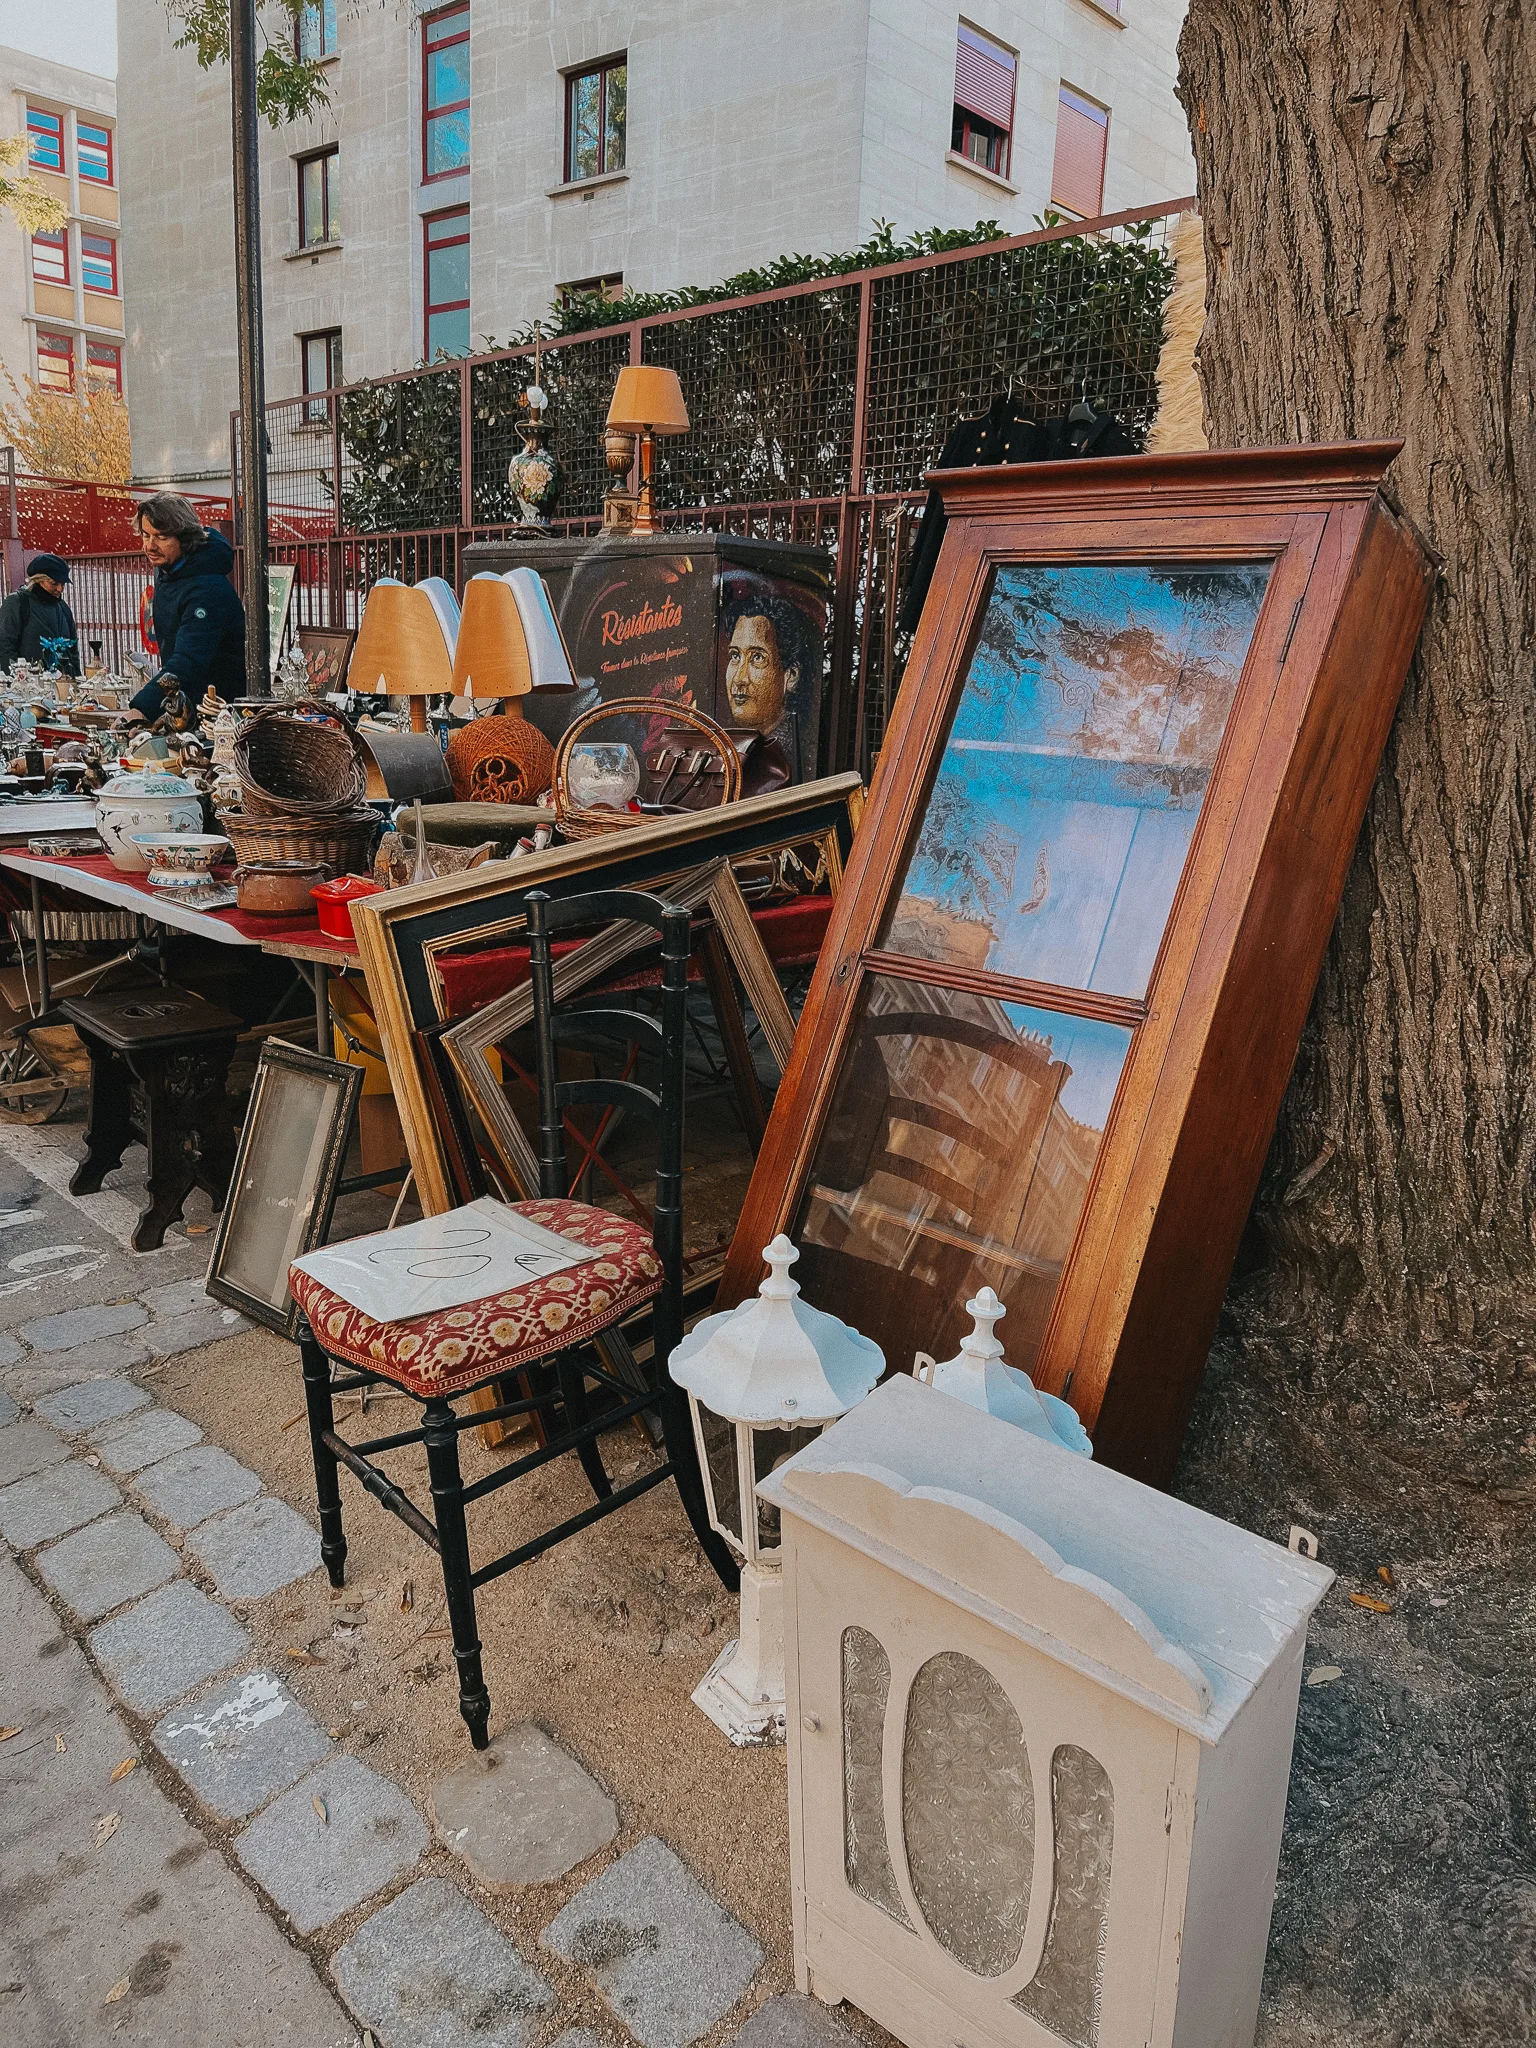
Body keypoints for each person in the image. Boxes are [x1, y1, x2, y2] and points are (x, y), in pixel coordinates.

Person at [127, 493, 246, 721]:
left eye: (161, 537)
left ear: (185, 538)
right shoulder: (170, 573)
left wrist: (142, 709)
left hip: (219, 714)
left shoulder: (207, 588)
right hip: (187, 707)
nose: (150, 545)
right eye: (145, 535)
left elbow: (188, 661)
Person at [0, 554, 80, 676]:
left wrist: (77, 678)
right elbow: (5, 647)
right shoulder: (17, 603)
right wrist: (13, 683)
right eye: (54, 583)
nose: (60, 589)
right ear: (38, 580)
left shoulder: (63, 608)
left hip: (63, 685)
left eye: (63, 584)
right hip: (28, 687)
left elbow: (73, 651)